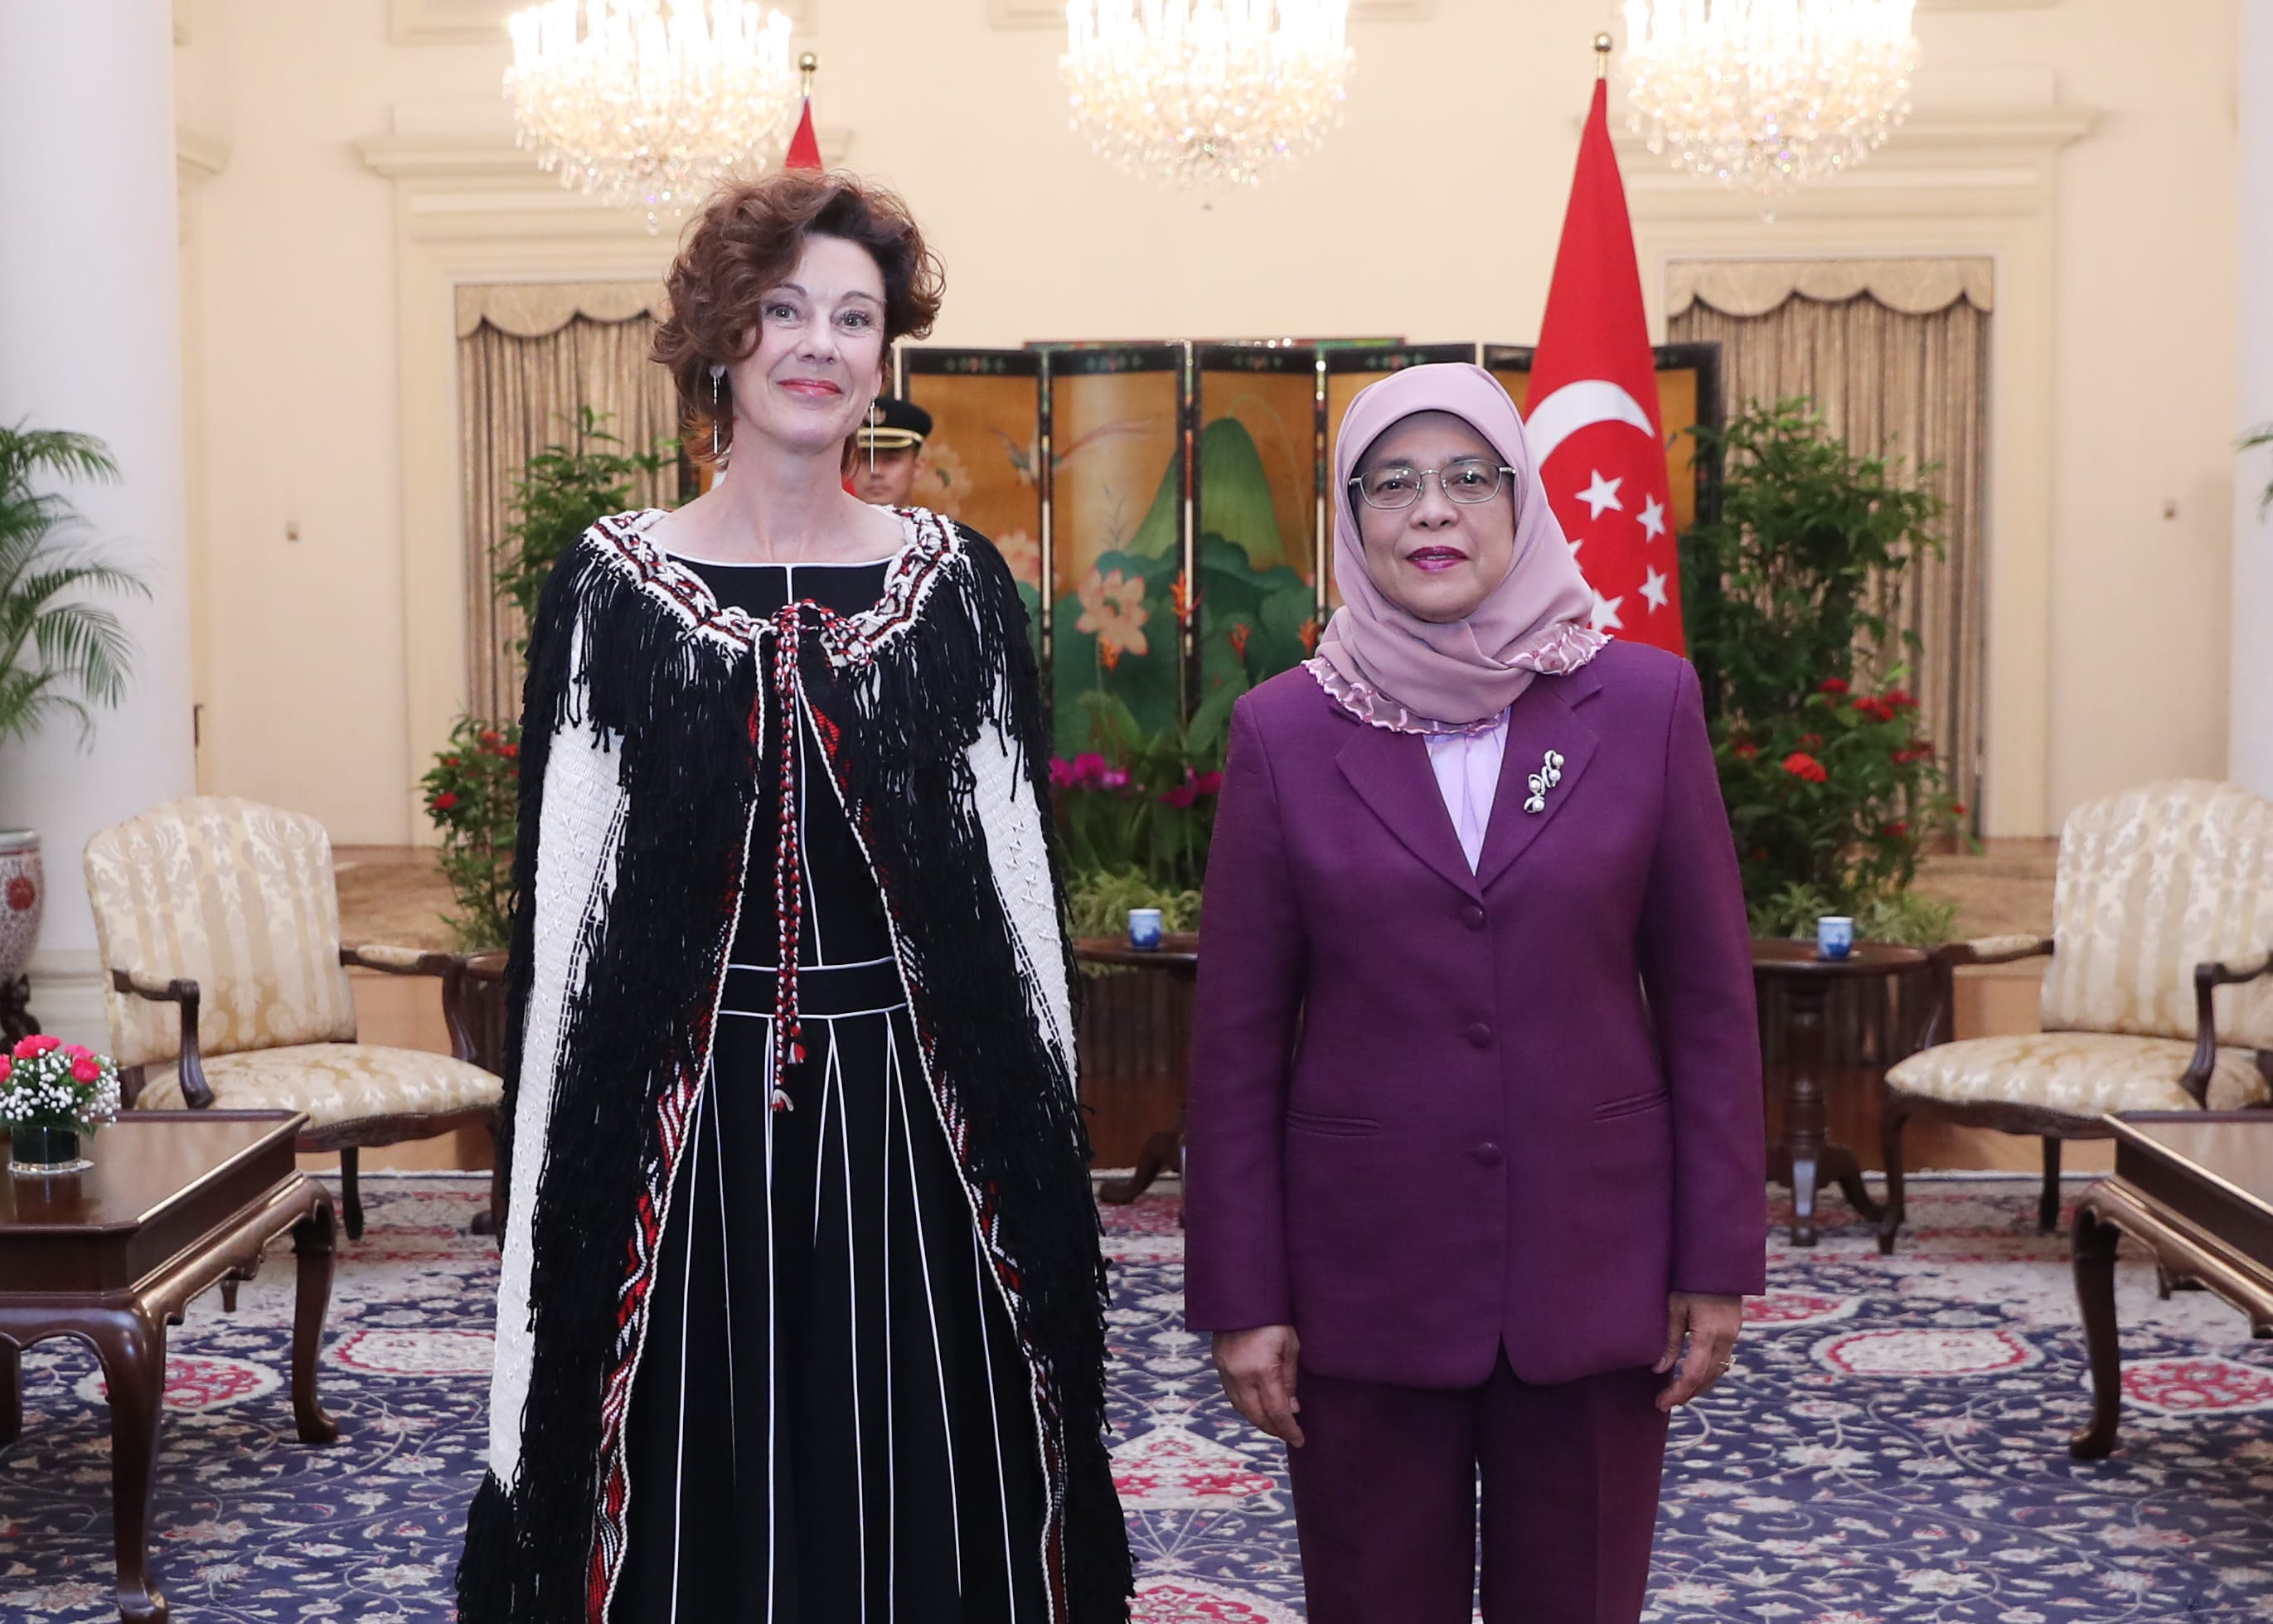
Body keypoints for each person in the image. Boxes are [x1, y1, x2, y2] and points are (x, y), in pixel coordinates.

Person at [458, 169, 1132, 1624]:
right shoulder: (614, 583)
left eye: (854, 316)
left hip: (916, 1120)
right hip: (679, 1129)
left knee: (930, 1473)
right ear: (721, 334)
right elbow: (567, 911)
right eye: (784, 310)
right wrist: (555, 1171)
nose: (818, 344)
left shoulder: (954, 580)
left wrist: (1049, 1153)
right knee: (698, 1487)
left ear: (886, 355)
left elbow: (1017, 892)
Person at [1183, 362, 1765, 1624]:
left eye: (1465, 478)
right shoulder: (1283, 732)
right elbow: (1232, 1044)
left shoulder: (1645, 702)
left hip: (1593, 1267)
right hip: (1363, 1282)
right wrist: (1242, 1297)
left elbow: (1712, 1009)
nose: (1430, 512)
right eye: (1391, 484)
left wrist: (1714, 1259)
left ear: (1522, 502)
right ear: (1350, 517)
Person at [848, 393, 933, 507]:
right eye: (865, 460)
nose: (875, 471)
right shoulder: (826, 525)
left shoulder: (939, 525)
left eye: (890, 460)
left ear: (917, 467)